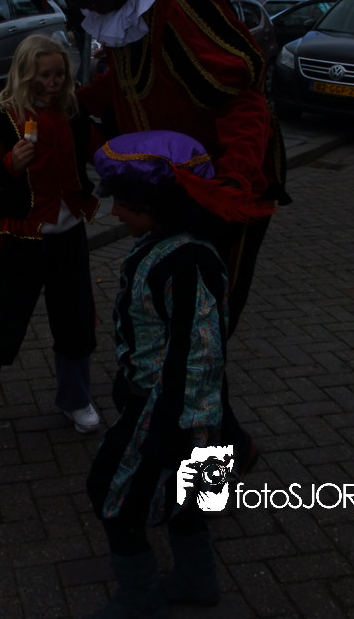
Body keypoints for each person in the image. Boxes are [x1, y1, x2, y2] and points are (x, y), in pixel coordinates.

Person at [17, 0, 290, 337]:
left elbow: (241, 98)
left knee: (206, 314)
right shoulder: (122, 12)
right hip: (166, 181)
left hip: (219, 181)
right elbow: (126, 85)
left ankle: (196, 382)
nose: (81, 3)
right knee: (165, 300)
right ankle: (160, 375)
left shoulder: (181, 1)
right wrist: (67, 103)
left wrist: (231, 184)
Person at [85, 130, 257, 618]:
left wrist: (172, 427)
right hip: (181, 407)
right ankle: (196, 580)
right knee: (192, 499)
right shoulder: (164, 245)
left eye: (124, 204)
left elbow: (200, 354)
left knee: (112, 493)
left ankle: (141, 600)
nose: (115, 213)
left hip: (175, 413)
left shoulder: (189, 262)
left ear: (158, 204)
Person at [0, 33, 101, 439]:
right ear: (26, 74)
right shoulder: (3, 120)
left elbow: (99, 150)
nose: (53, 83)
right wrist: (10, 164)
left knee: (76, 319)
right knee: (9, 321)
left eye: (59, 74)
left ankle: (75, 398)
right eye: (45, 75)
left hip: (68, 233)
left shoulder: (73, 113)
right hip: (22, 238)